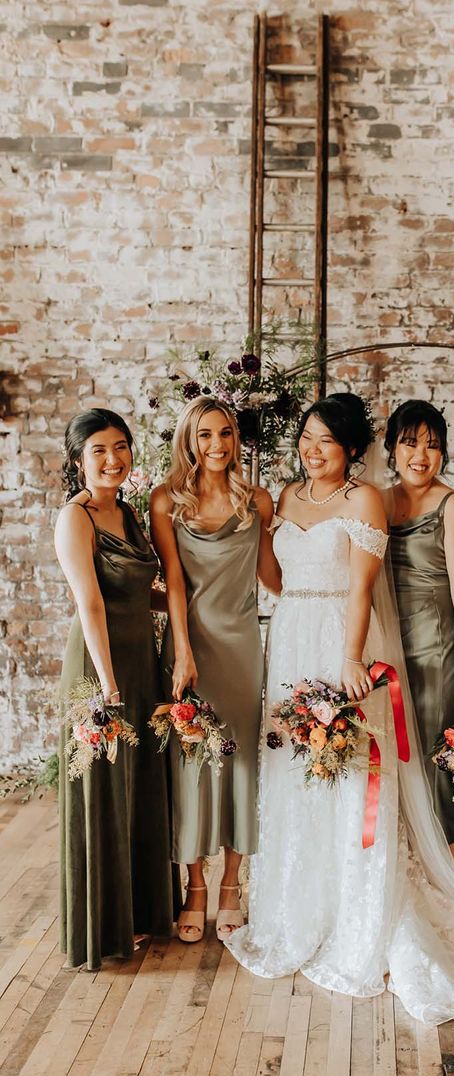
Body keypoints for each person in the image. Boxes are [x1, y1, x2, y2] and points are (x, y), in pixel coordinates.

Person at [225, 391, 454, 1025]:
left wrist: (376, 659)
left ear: (353, 452)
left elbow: (397, 589)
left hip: (376, 642)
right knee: (297, 771)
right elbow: (277, 578)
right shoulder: (288, 499)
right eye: (307, 440)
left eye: (327, 442)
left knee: (380, 771)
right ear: (390, 449)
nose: (313, 451)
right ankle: (299, 901)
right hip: (291, 641)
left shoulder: (393, 503)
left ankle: (386, 898)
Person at [150, 397, 280, 943]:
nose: (217, 445)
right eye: (205, 436)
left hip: (243, 647)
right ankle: (194, 887)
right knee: (192, 768)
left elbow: (273, 575)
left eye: (225, 434)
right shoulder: (166, 502)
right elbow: (173, 582)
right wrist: (182, 650)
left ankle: (232, 885)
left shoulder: (259, 501)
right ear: (189, 440)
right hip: (192, 646)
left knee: (242, 764)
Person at [55, 408, 174, 970]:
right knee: (102, 791)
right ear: (78, 459)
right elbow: (91, 602)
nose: (113, 459)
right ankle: (100, 929)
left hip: (139, 664)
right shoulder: (75, 518)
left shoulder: (127, 511)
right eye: (99, 450)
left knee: (141, 785)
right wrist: (106, 684)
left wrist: (194, 607)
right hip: (98, 670)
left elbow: (139, 593)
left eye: (121, 447)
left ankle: (143, 914)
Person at [385, 399, 454, 867]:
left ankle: (450, 871)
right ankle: (402, 868)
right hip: (386, 647)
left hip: (437, 650)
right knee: (389, 758)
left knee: (435, 756)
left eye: (432, 446)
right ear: (391, 448)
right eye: (410, 444)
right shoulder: (376, 502)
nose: (421, 456)